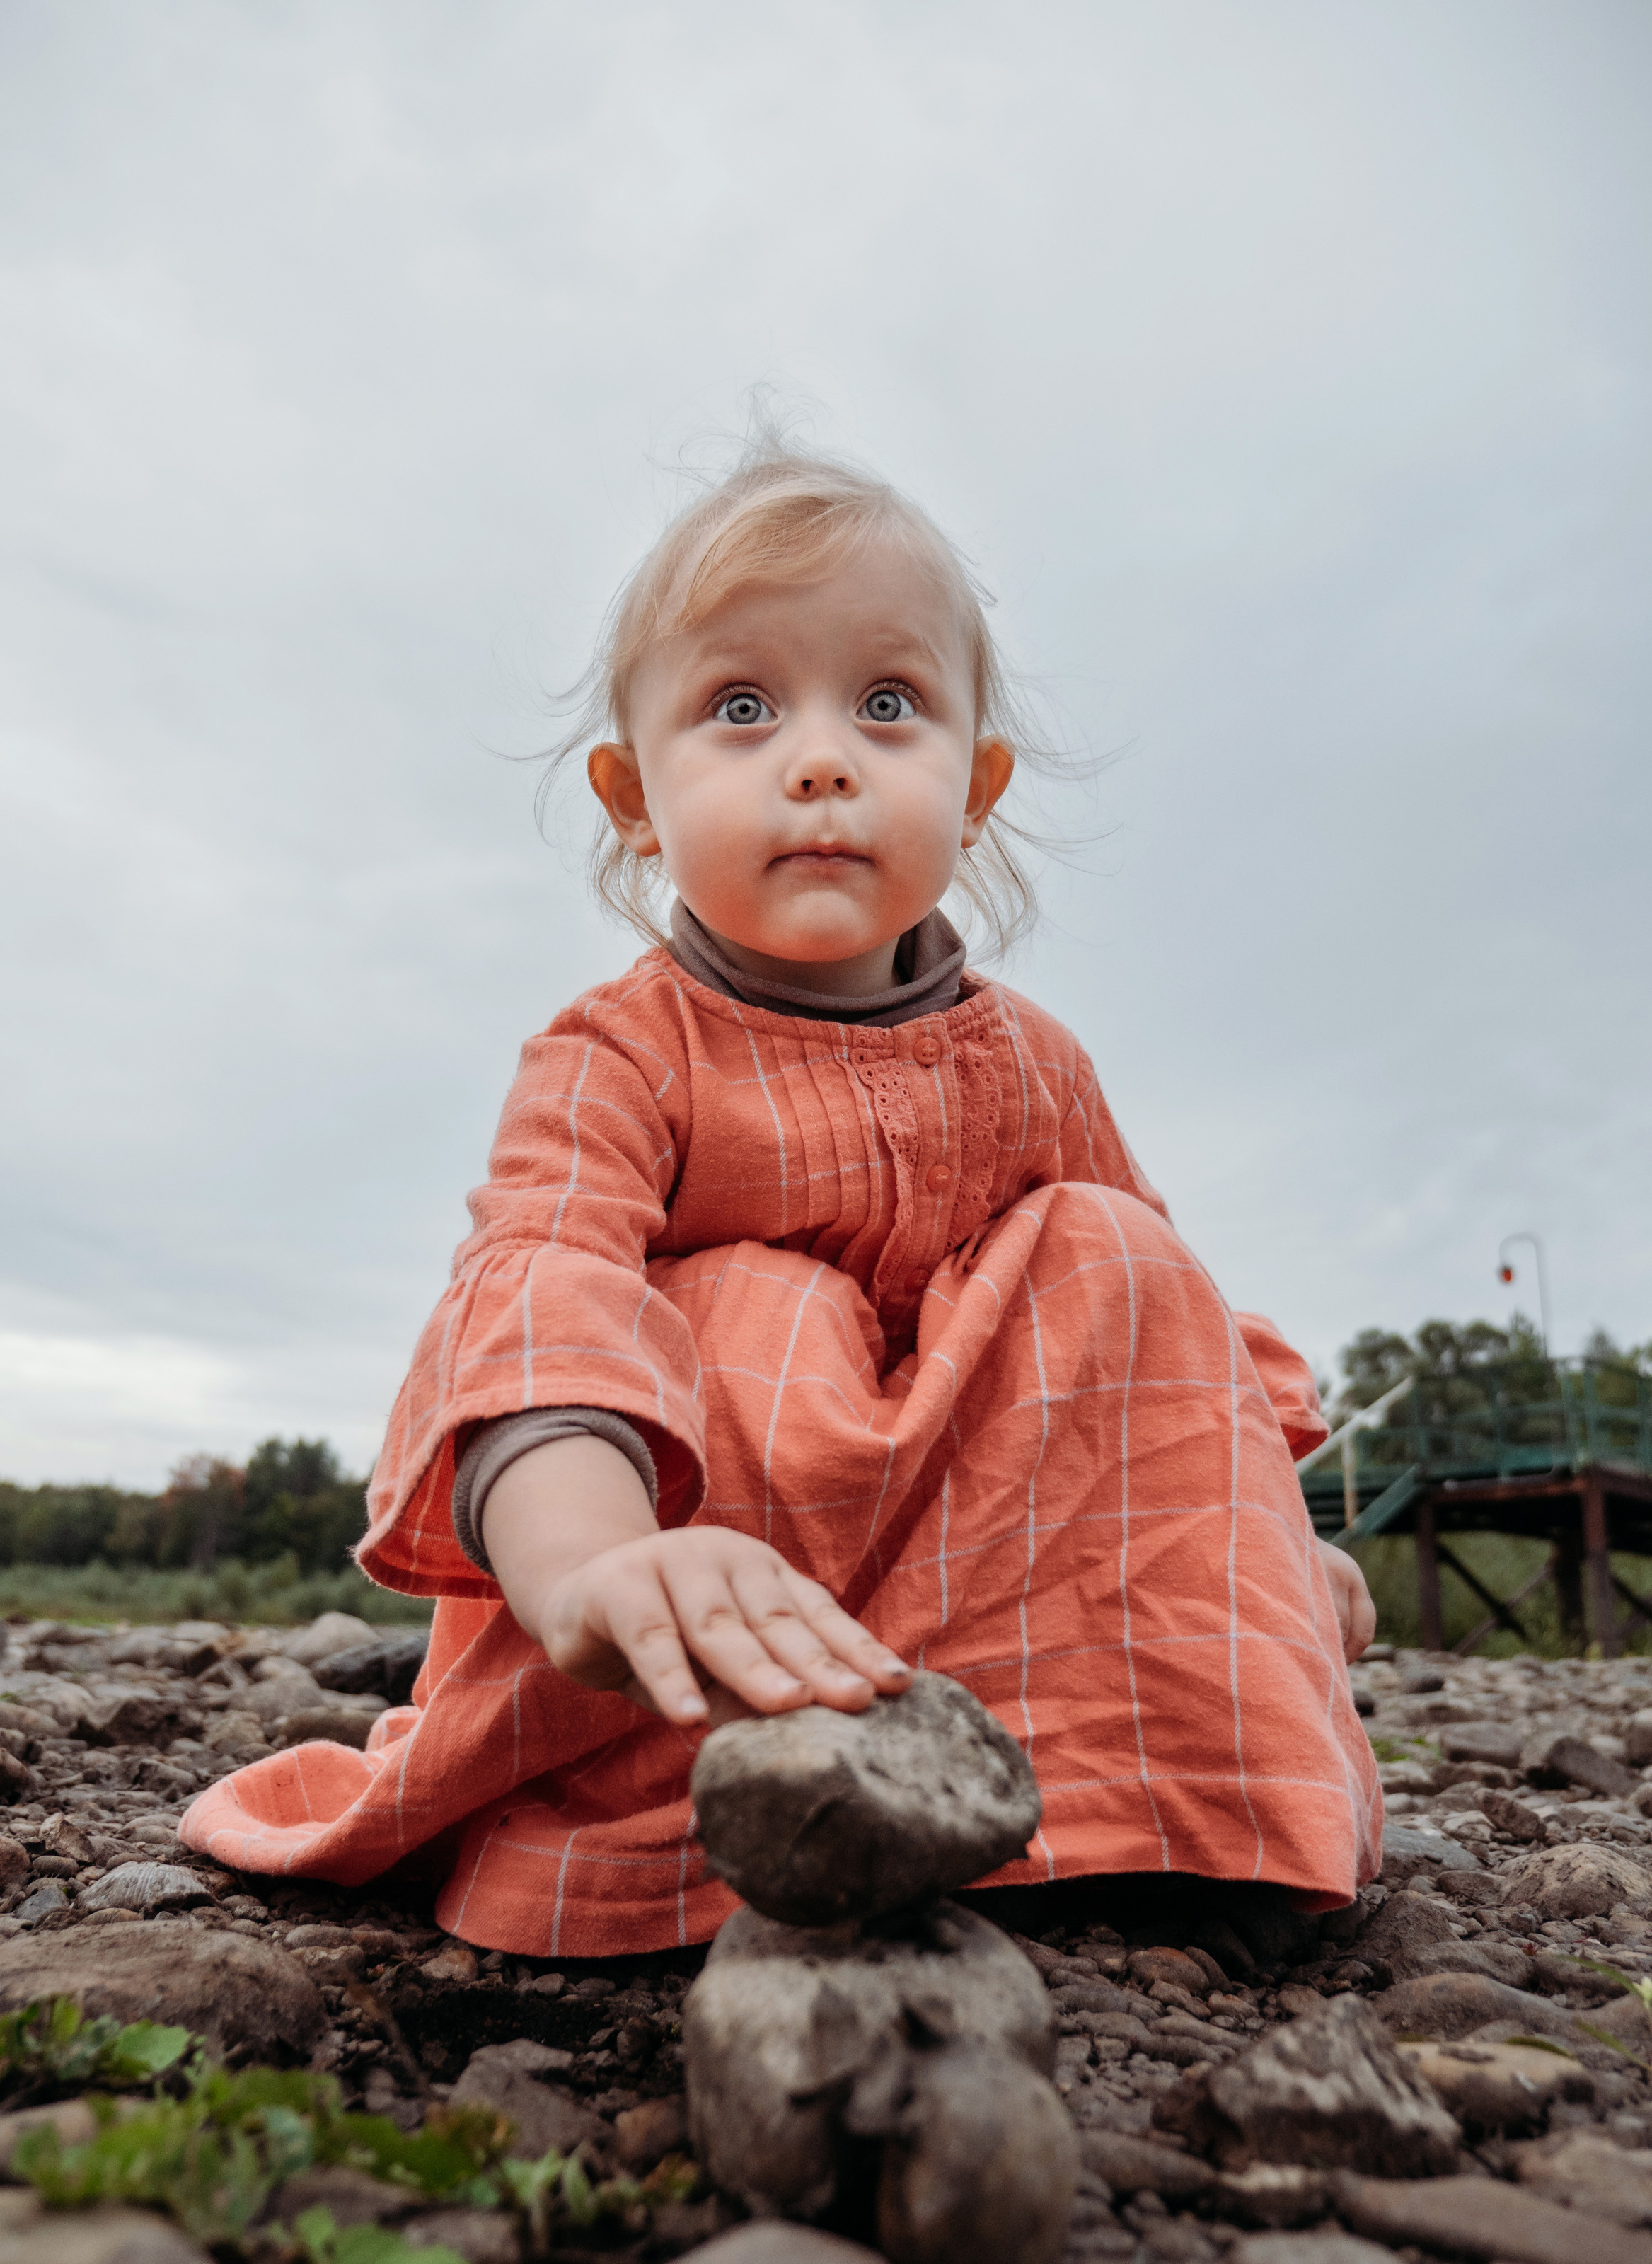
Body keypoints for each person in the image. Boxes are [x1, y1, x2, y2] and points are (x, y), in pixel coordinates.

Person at [182, 436, 1380, 1956]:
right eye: (740, 707)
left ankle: (1108, 1802)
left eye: (887, 705)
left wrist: (1272, 1534)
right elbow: (541, 1295)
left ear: (976, 784)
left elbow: (1176, 1346)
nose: (820, 757)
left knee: (1112, 1246)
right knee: (753, 1302)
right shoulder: (620, 1053)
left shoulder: (1037, 1065)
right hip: (701, 1634)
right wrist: (596, 1561)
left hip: (1001, 1596)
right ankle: (732, 1806)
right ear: (632, 797)